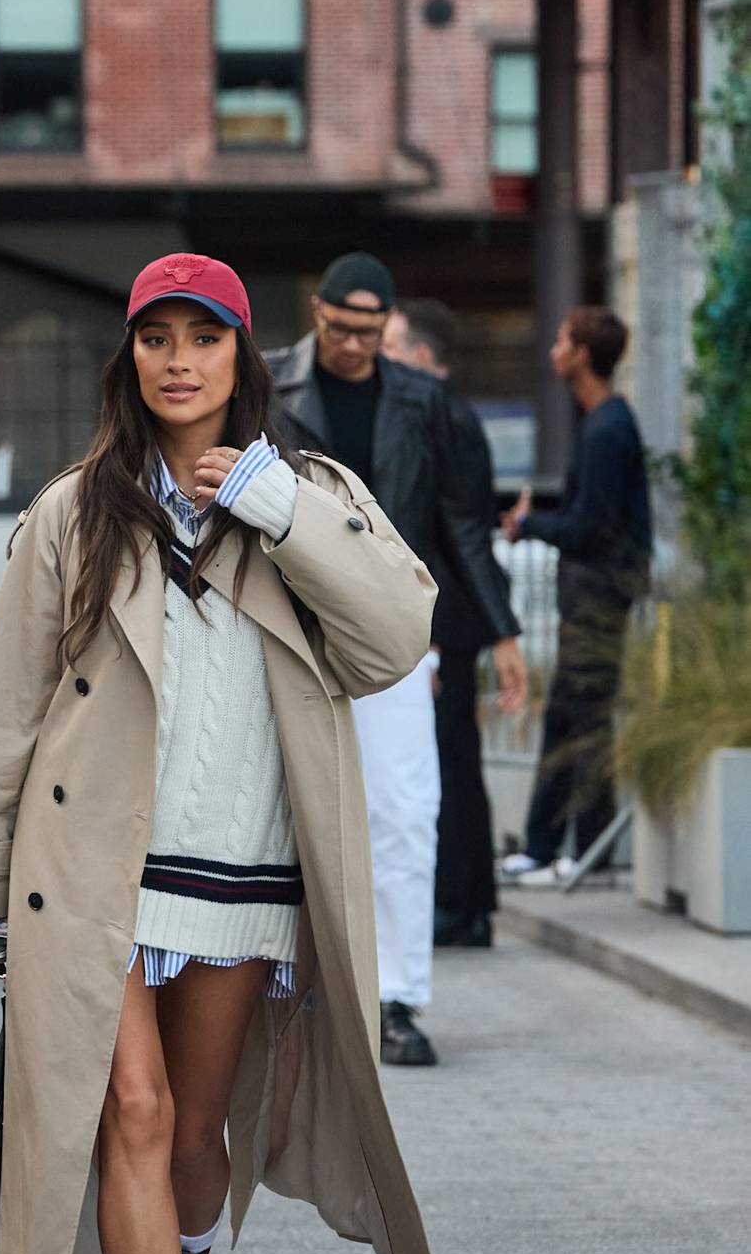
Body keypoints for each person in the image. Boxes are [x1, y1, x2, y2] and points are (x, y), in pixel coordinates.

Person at [0, 253, 452, 1254]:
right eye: (157, 337)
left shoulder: (311, 492)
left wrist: (281, 508)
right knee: (136, 1111)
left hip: (244, 868)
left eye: (204, 338)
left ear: (241, 357)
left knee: (201, 1139)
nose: (179, 360)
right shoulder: (77, 509)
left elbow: (399, 636)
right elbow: (10, 704)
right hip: (96, 865)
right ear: (131, 358)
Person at [267, 254, 525, 1065]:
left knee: (408, 812)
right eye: (338, 326)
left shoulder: (425, 403)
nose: (351, 343)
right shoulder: (268, 387)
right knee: (275, 814)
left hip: (392, 635)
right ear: (316, 310)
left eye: (368, 331)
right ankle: (278, 991)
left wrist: (502, 632)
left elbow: (463, 527)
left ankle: (398, 999)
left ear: (389, 327)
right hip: (285, 626)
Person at [382, 299, 526, 947]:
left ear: (419, 357)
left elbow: (455, 532)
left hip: (448, 622)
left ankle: (463, 904)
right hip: (446, 618)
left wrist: (448, 633)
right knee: (449, 762)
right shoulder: (432, 412)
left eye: (388, 347)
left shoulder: (443, 415)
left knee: (449, 765)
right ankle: (465, 904)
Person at [500, 307, 652, 884]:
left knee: (583, 721)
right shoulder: (602, 423)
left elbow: (593, 528)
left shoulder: (609, 427)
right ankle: (549, 849)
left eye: (563, 340)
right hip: (591, 595)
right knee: (570, 719)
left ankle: (580, 852)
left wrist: (531, 526)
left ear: (583, 354)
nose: (553, 350)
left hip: (599, 598)